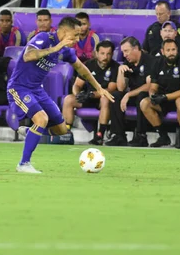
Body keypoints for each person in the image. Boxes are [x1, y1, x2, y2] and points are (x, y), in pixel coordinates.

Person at [8, 17, 114, 173]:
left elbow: (81, 68)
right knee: (42, 119)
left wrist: (99, 88)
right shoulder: (44, 38)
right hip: (19, 88)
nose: (77, 39)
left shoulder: (67, 51)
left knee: (62, 130)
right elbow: (27, 56)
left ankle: (30, 132)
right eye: (75, 35)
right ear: (64, 31)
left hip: (37, 90)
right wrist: (55, 48)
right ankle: (24, 164)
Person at [140, 39, 180, 147]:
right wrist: (153, 95)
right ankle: (163, 137)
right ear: (162, 51)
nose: (171, 52)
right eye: (168, 50)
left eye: (173, 49)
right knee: (144, 103)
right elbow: (153, 87)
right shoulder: (157, 63)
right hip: (166, 99)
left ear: (177, 50)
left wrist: (164, 97)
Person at [63, 40, 119, 145]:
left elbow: (111, 89)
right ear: (96, 53)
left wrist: (92, 94)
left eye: (108, 54)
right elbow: (77, 85)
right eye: (102, 53)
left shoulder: (115, 67)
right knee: (69, 99)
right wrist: (78, 94)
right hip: (88, 97)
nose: (105, 57)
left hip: (102, 99)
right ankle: (66, 132)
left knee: (105, 99)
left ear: (112, 54)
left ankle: (100, 135)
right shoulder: (88, 64)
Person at [105, 37, 155, 147]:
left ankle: (141, 136)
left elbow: (150, 86)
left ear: (136, 48)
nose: (124, 55)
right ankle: (118, 136)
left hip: (147, 96)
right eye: (123, 52)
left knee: (142, 96)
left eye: (126, 51)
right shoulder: (127, 62)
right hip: (131, 96)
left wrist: (129, 94)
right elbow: (121, 88)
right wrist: (120, 72)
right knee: (116, 96)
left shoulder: (150, 61)